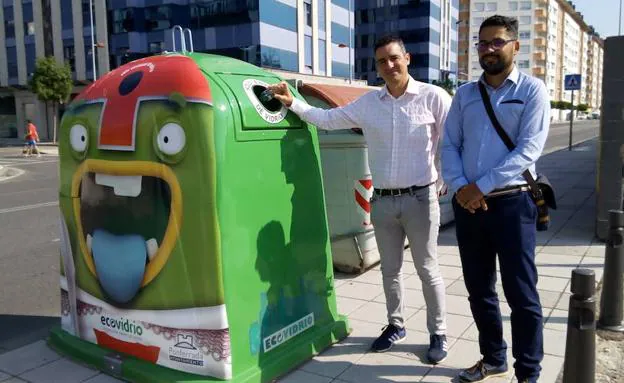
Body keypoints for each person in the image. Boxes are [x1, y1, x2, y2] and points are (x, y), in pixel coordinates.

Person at [267, 35, 451, 364]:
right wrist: (290, 102)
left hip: (421, 200)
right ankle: (396, 325)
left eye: (394, 58)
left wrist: (443, 177)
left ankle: (438, 332)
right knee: (390, 270)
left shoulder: (433, 97)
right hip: (380, 201)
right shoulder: (368, 104)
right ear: (377, 67)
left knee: (427, 269)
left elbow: (450, 141)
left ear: (407, 58)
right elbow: (325, 119)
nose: (389, 65)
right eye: (382, 61)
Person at [441, 15, 550, 383]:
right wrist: (460, 187)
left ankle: (528, 373)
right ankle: (493, 358)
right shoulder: (464, 94)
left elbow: (528, 150)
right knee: (479, 290)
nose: (488, 49)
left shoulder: (533, 90)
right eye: (482, 43)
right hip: (470, 207)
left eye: (496, 42)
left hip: (512, 204)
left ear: (515, 46)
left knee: (521, 294)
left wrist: (479, 187)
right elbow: (450, 144)